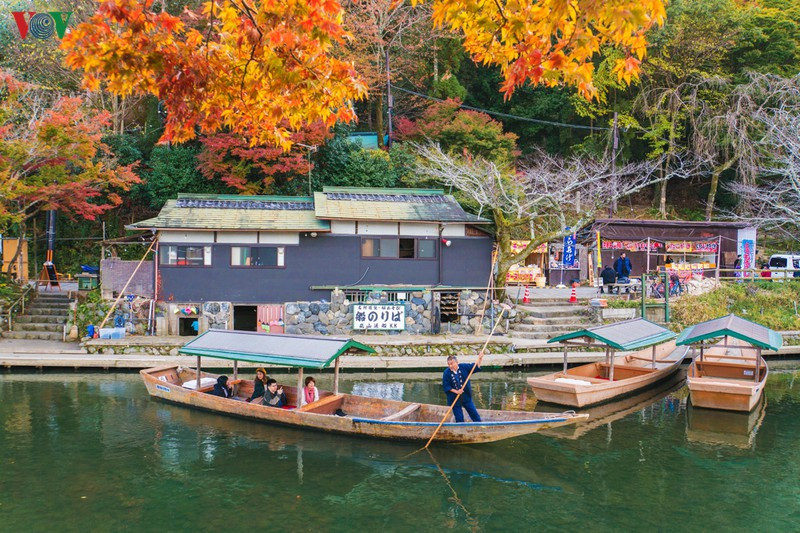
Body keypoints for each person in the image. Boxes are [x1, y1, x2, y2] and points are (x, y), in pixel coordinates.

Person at [442, 355, 481, 423]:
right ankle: (460, 431)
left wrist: (480, 358)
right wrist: (456, 391)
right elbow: (446, 386)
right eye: (449, 364)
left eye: (452, 363)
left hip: (466, 397)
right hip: (454, 399)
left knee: (475, 416)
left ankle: (479, 427)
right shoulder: (446, 373)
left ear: (457, 362)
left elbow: (476, 366)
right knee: (459, 419)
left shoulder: (464, 367)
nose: (450, 366)